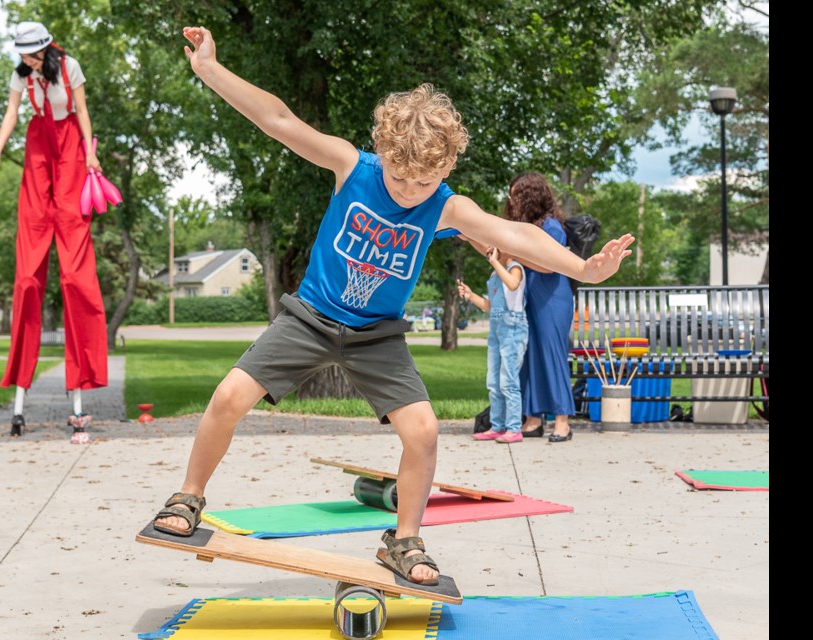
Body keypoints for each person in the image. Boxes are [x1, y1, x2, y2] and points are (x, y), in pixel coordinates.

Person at [152, 25, 634, 585]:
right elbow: (280, 121)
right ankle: (188, 496)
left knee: (424, 431)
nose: (409, 190)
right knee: (229, 396)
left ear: (447, 168)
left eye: (424, 180)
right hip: (310, 318)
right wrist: (210, 70)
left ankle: (403, 541)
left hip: (377, 335)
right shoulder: (350, 167)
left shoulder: (447, 206)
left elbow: (516, 234)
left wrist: (582, 268)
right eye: (399, 175)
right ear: (381, 152)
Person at [0, 21, 108, 443]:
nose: (26, 60)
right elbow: (12, 113)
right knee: (27, 277)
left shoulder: (69, 66)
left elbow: (83, 110)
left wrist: (91, 156)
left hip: (72, 146)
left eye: (32, 53)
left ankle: (83, 388)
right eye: (22, 54)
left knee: (75, 276)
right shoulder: (20, 74)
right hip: (38, 146)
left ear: (46, 50)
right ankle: (18, 390)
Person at [503, 173, 576, 443]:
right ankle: (533, 419)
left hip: (553, 300)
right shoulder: (529, 227)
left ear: (530, 196)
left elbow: (550, 265)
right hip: (532, 299)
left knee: (551, 356)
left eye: (516, 196)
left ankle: (562, 421)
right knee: (529, 357)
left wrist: (514, 253)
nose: (511, 201)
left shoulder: (553, 228)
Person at [456, 247, 528, 443]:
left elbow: (513, 285)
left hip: (512, 330)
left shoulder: (515, 268)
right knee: (493, 382)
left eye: (493, 248)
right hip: (496, 331)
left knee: (508, 381)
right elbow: (491, 306)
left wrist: (495, 262)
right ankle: (497, 426)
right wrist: (471, 295)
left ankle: (514, 428)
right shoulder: (495, 274)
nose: (489, 251)